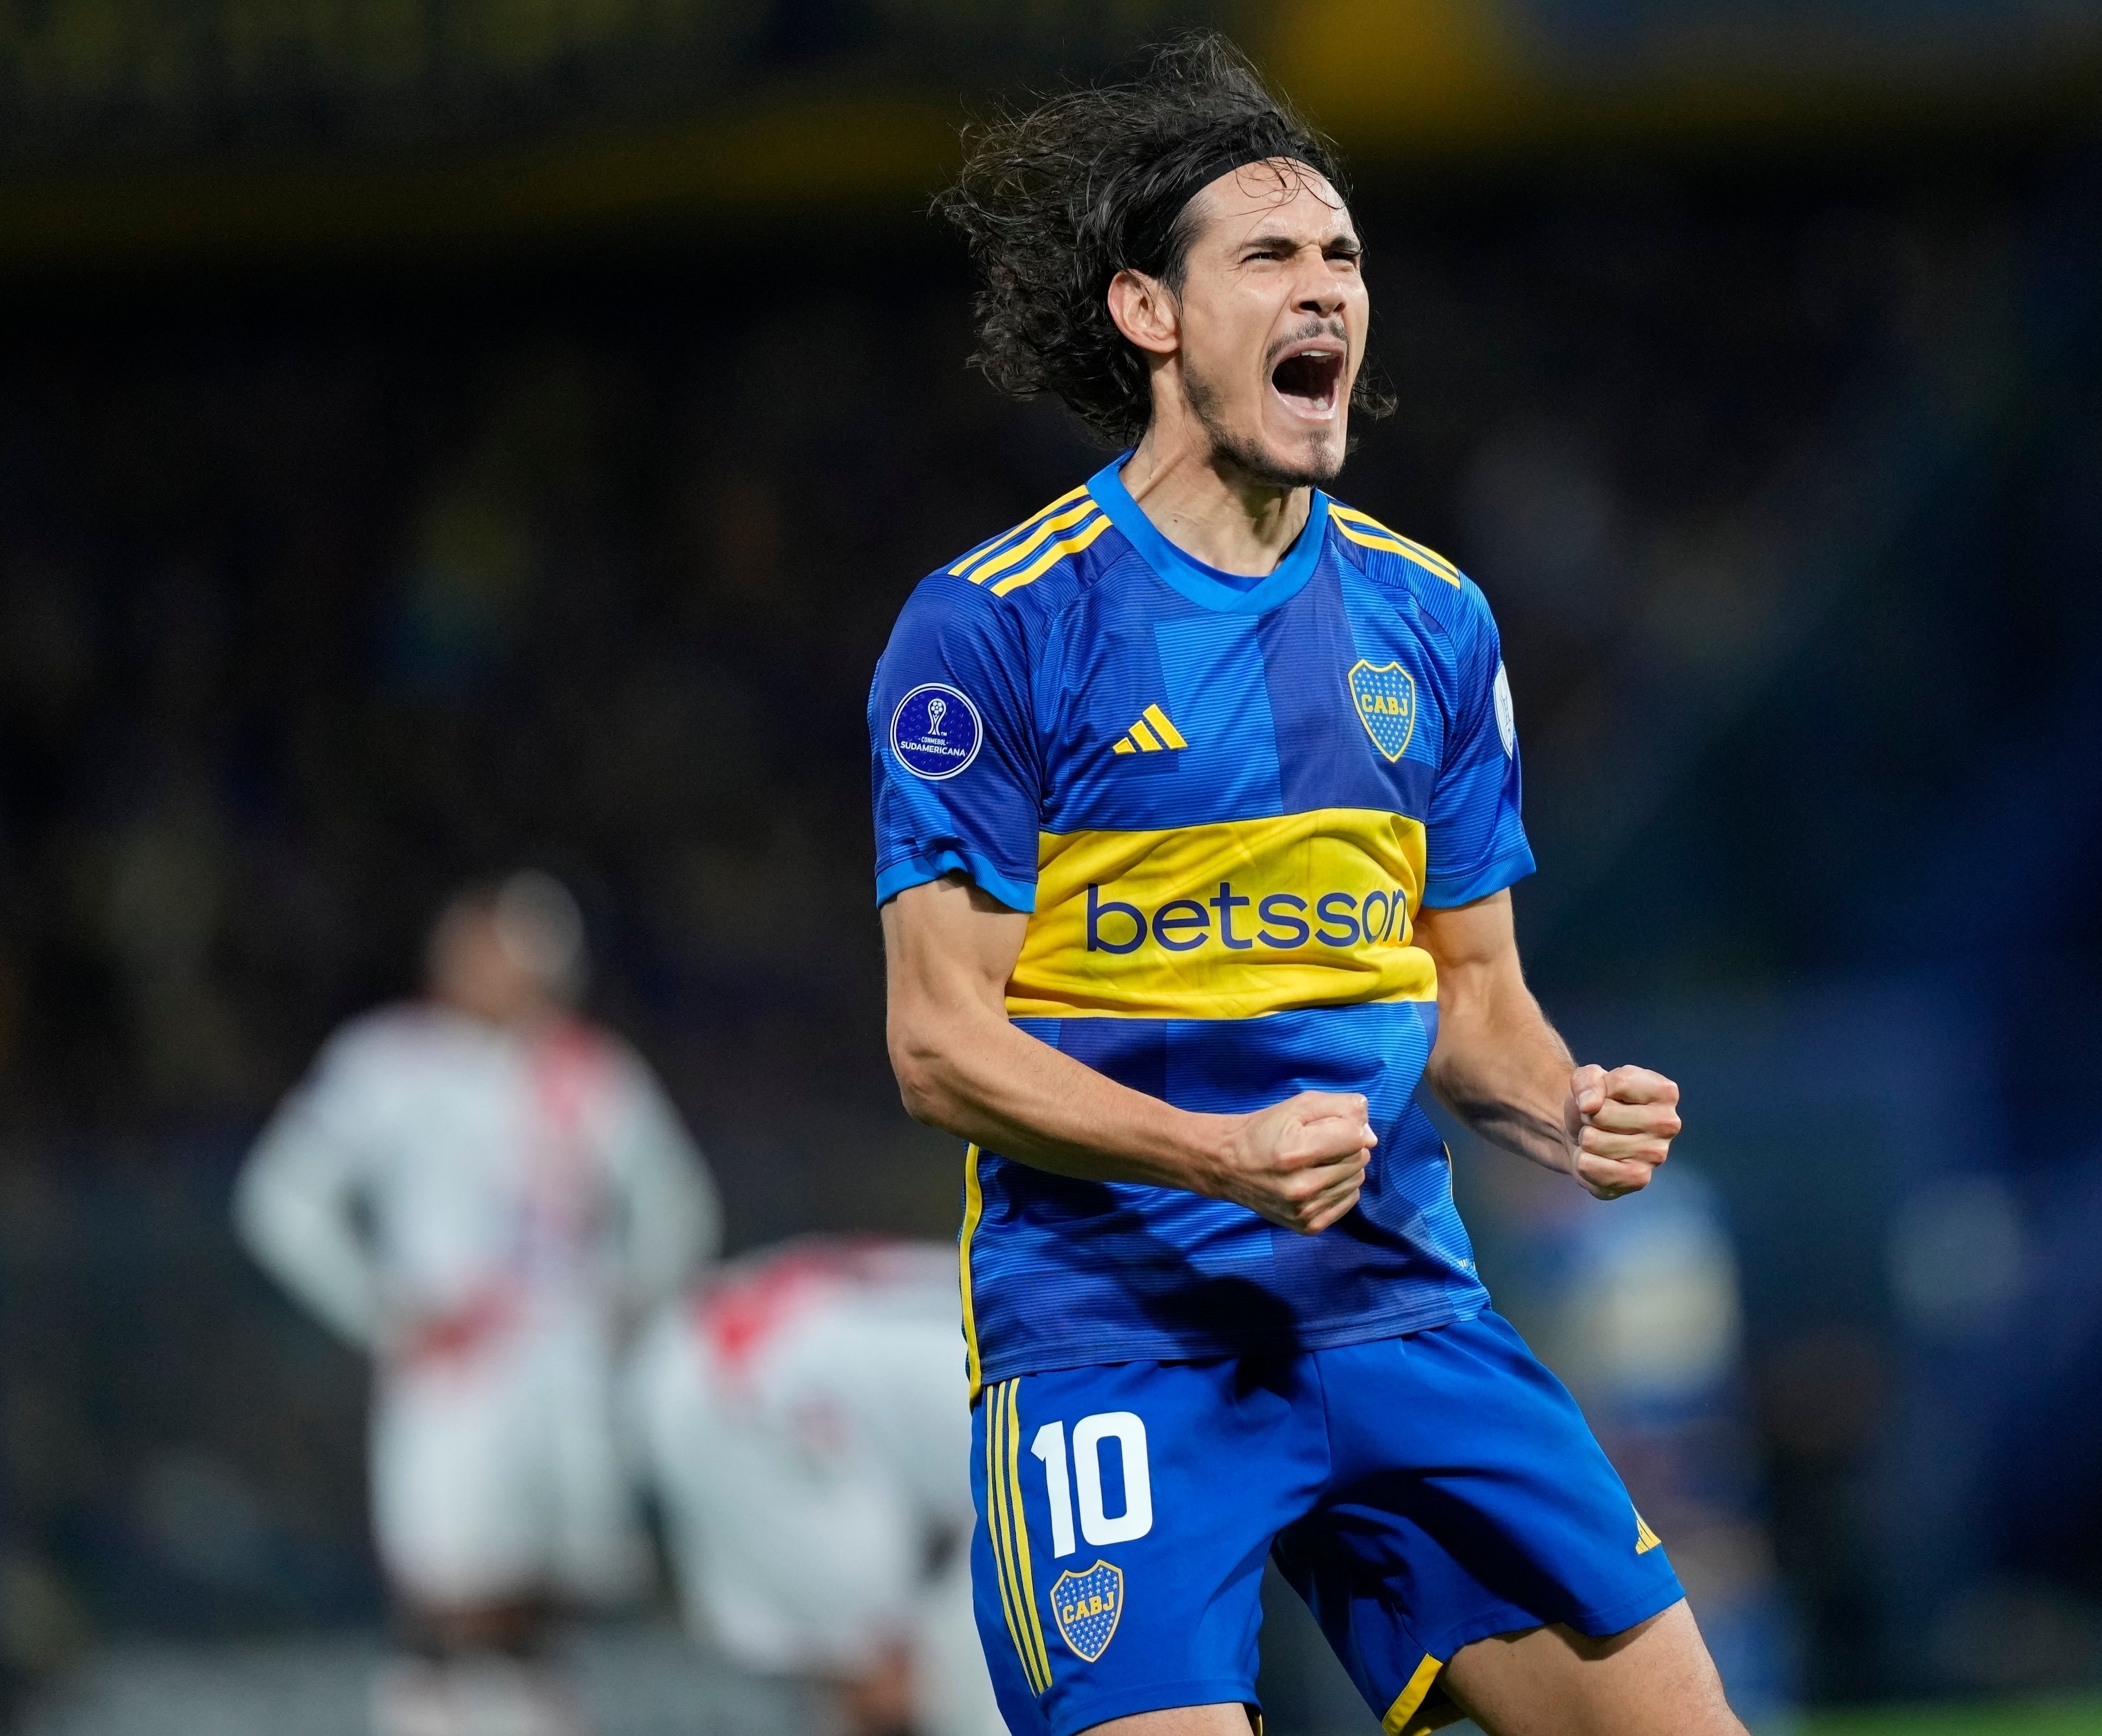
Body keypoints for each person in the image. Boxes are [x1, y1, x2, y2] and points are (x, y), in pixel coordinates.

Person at [875, 36, 1742, 1736]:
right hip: (1115, 1344)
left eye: (1343, 255)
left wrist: (1566, 1107)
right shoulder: (996, 628)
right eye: (1268, 257)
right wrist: (1218, 1155)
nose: (1325, 288)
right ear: (1149, 314)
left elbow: (1471, 998)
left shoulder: (1435, 622)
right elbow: (937, 1046)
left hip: (1391, 1309)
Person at [236, 871, 721, 1736]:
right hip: (457, 1377)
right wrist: (386, 1310)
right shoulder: (387, 1064)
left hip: (564, 1378)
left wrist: (625, 1301)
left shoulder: (590, 1071)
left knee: (534, 1612)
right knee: (448, 1599)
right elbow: (281, 1200)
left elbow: (678, 1208)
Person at [632, 1237, 1012, 1736]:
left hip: (701, 1340)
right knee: (887, 1670)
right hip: (744, 1400)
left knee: (885, 1663)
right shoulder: (1087, 1376)